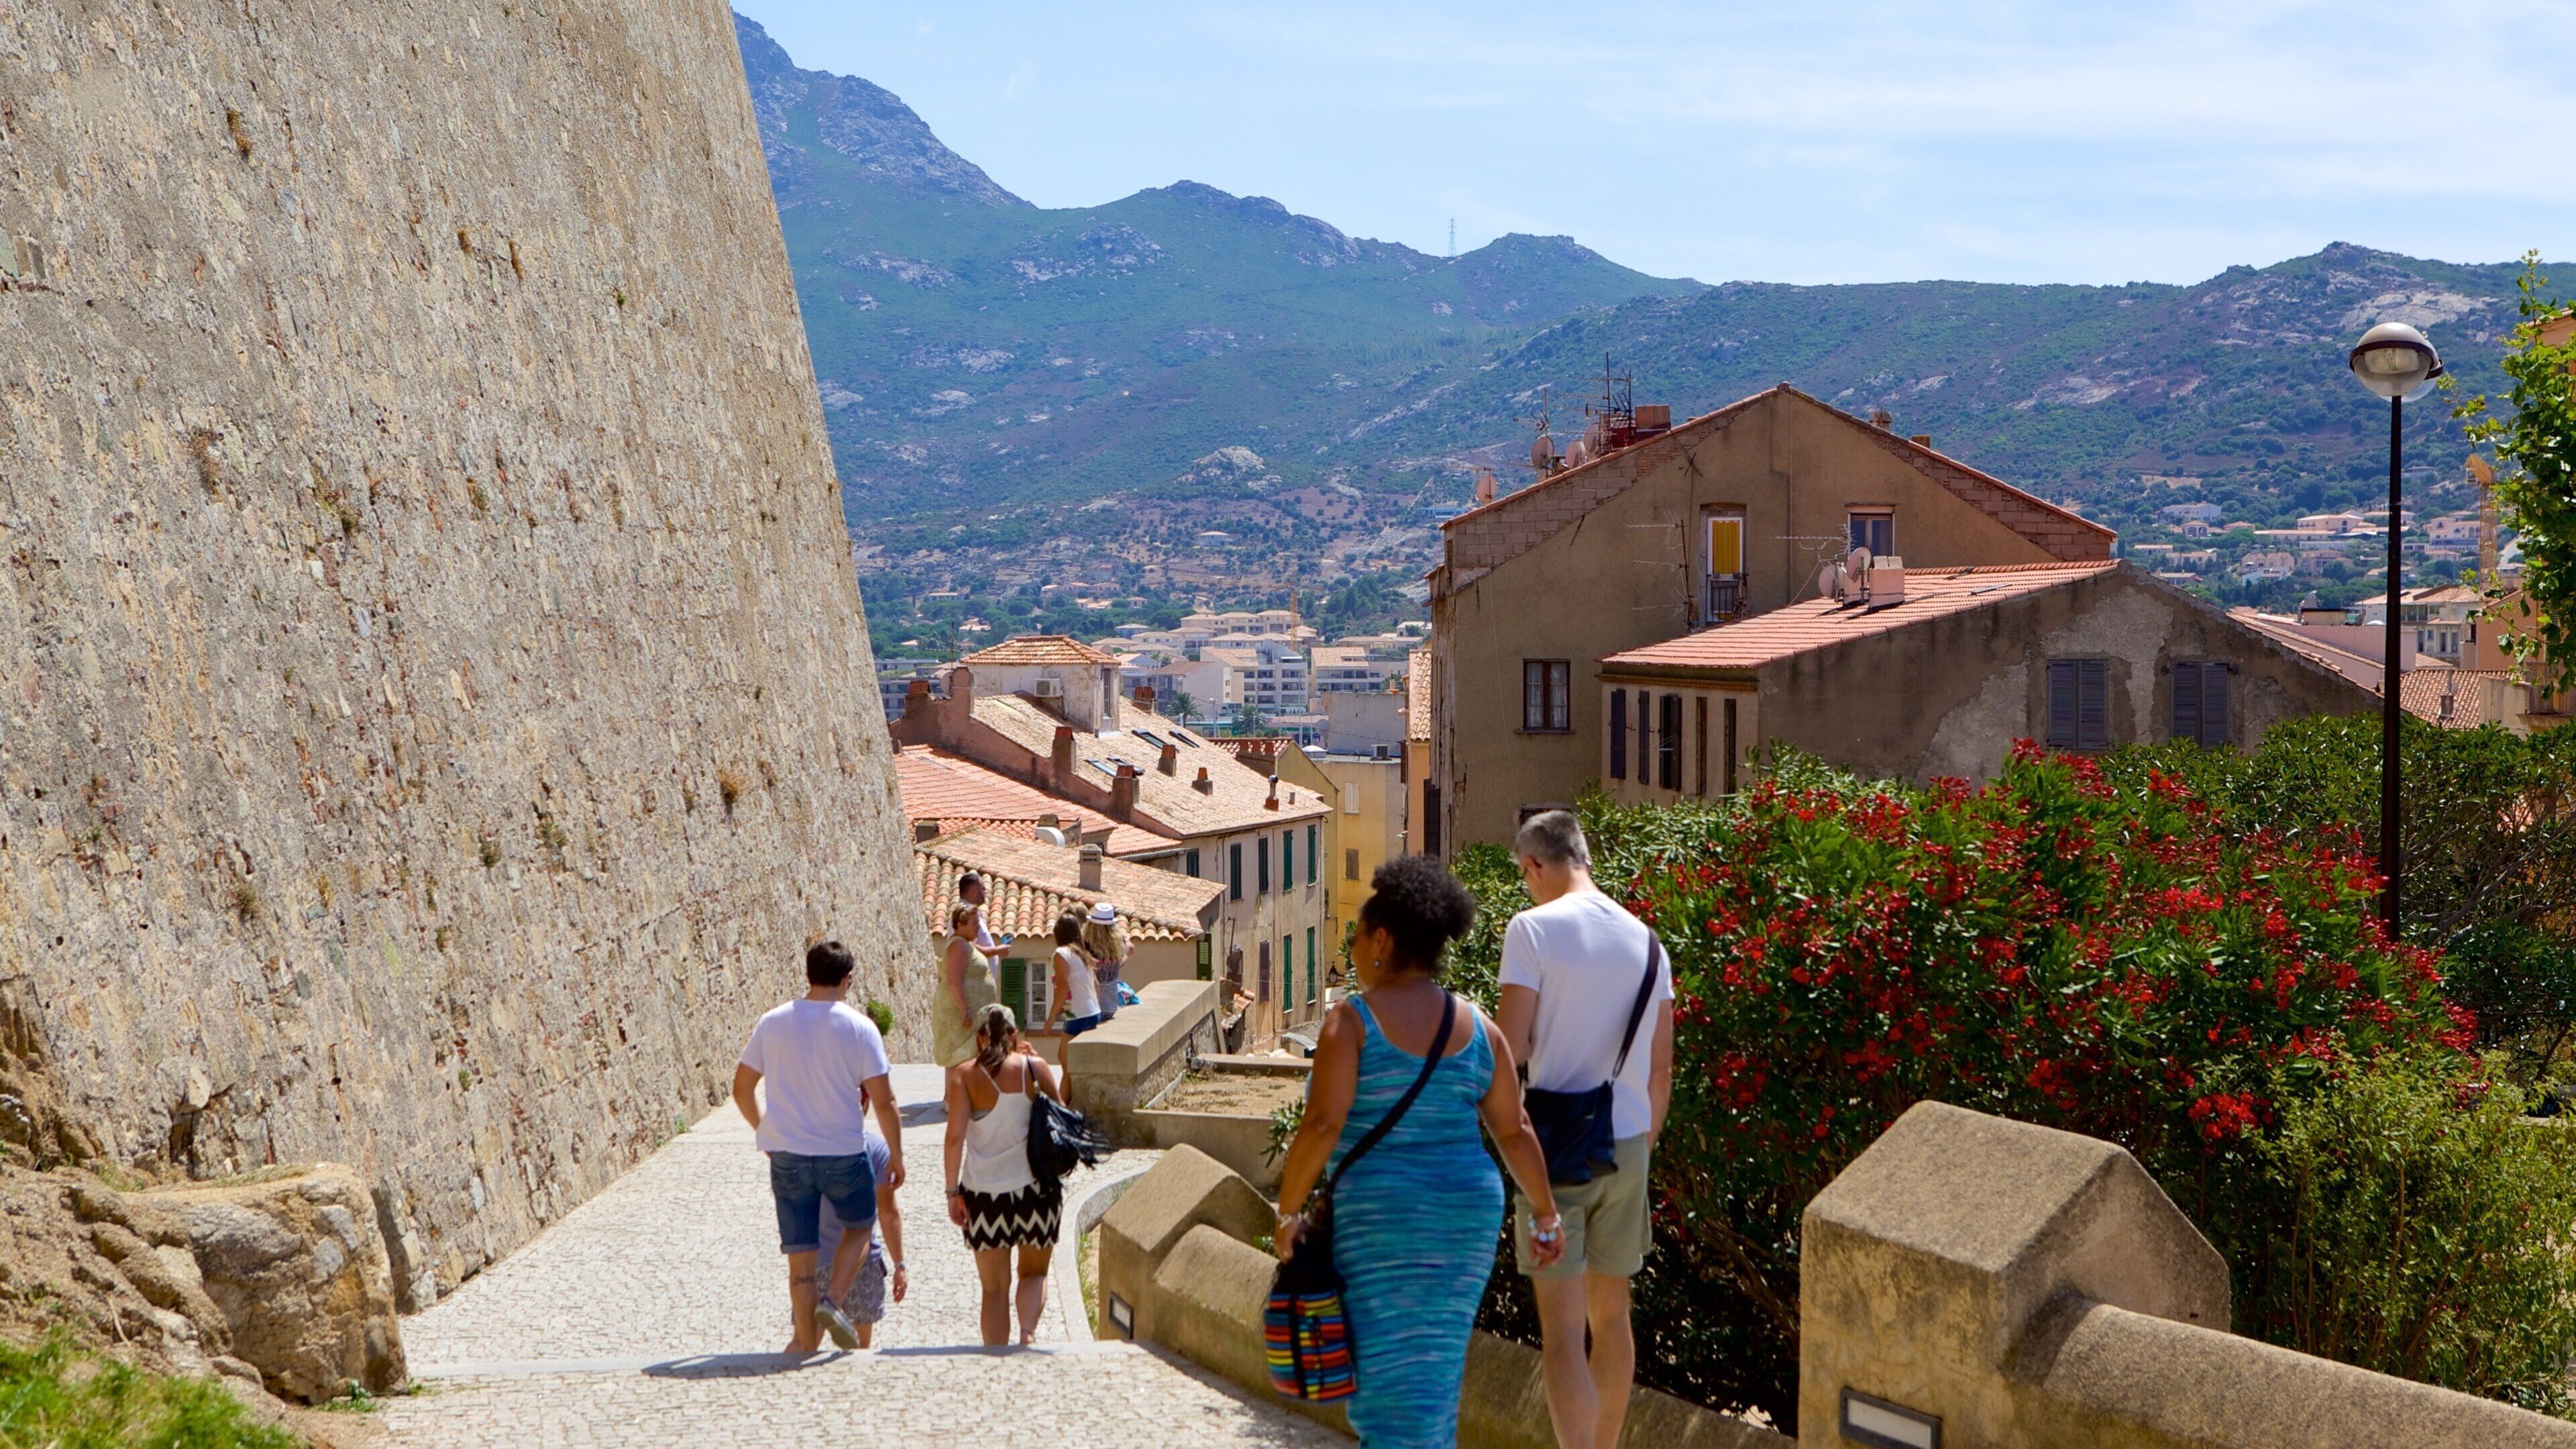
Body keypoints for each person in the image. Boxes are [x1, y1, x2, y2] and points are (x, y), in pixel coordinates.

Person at [1271, 856, 1564, 1448]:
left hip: (1383, 1214)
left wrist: (1286, 1214)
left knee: (1386, 1391)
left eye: (1356, 936)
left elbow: (1324, 1123)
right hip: (1465, 1214)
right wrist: (1546, 1214)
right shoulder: (1481, 1028)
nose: (1353, 950)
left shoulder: (1351, 1023)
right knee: (1429, 1380)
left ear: (1382, 939)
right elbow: (1515, 1131)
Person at [1497, 810, 1675, 1449]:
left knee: (1564, 1332)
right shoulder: (1648, 941)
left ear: (1538, 865)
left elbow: (1509, 1051)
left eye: (1524, 874)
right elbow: (1662, 1073)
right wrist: (1640, 1151)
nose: (1526, 886)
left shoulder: (1532, 931)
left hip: (1555, 1151)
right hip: (1628, 1146)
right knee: (1613, 1316)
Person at [732, 939, 906, 1354]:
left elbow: (741, 1089)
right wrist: (897, 1154)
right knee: (860, 1227)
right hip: (842, 1152)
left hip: (788, 1155)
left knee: (801, 1260)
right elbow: (883, 1100)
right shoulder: (860, 1027)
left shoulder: (772, 1022)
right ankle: (833, 1302)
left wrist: (766, 1130)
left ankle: (806, 1348)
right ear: (847, 980)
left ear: (808, 974)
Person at [943, 1004, 1065, 1346]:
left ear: (980, 1038)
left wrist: (952, 1192)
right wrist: (1037, 1064)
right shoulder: (1034, 1068)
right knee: (1035, 1273)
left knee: (994, 1290)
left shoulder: (965, 1076)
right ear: (1014, 1036)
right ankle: (1027, 1334)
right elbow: (1062, 1118)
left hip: (984, 1195)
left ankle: (996, 1360)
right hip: (1037, 1191)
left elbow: (954, 1138)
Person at [814, 1125, 907, 1347]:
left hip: (816, 1260)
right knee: (860, 1350)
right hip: (861, 1261)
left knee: (805, 1346)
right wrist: (899, 1265)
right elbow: (888, 1212)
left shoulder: (808, 1147)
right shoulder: (875, 1148)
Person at [932, 903, 1001, 1069]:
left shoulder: (966, 944)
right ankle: (957, 1094)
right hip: (961, 1016)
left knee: (962, 1061)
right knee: (959, 1060)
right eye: (975, 923)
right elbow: (953, 980)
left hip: (969, 1015)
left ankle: (957, 1094)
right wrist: (965, 1010)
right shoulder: (958, 946)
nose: (978, 927)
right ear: (961, 925)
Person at [1044, 914, 1103, 1039]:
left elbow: (1063, 988)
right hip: (1093, 1011)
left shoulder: (1061, 954)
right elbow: (1096, 985)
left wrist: (1051, 1019)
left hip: (1077, 1015)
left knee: (1065, 1057)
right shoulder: (1082, 954)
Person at [1080, 902, 1130, 1023]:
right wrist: (1118, 964)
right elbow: (1130, 949)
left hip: (1091, 1009)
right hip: (1111, 1007)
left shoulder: (1085, 946)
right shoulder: (1117, 945)